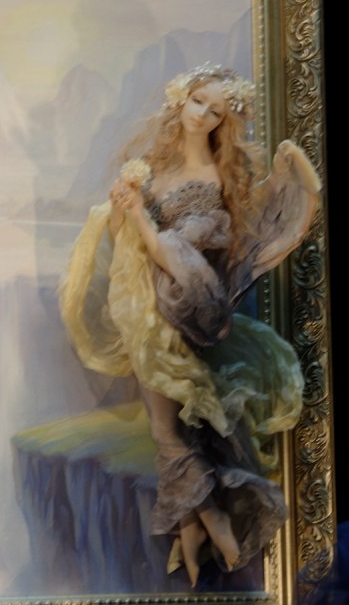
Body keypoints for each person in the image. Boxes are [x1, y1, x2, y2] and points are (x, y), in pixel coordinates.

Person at [59, 62, 321, 588]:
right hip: (143, 307)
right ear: (181, 99)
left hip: (182, 307)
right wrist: (121, 209)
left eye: (216, 110)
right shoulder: (154, 166)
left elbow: (178, 255)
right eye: (198, 101)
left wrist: (140, 216)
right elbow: (123, 238)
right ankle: (194, 533)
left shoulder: (217, 181)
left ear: (225, 121)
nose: (202, 114)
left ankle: (215, 521)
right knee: (172, 429)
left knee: (169, 428)